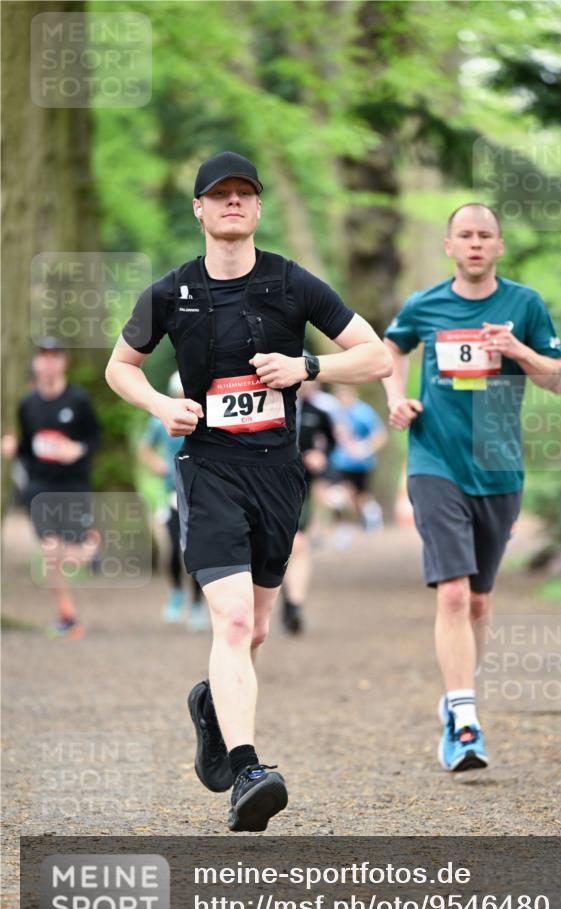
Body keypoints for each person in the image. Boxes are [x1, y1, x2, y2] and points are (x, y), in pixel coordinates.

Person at [105, 151, 391, 831]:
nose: (233, 203)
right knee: (231, 620)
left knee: (255, 628)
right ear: (199, 210)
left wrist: (306, 365)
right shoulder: (169, 293)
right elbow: (121, 367)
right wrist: (157, 407)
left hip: (276, 474)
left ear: (257, 209)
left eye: (244, 194)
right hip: (207, 470)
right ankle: (247, 770)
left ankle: (212, 704)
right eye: (219, 195)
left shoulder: (292, 285)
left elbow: (376, 354)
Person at [383, 202, 561, 772]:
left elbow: (558, 379)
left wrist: (517, 350)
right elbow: (391, 346)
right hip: (434, 458)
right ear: (448, 246)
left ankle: (454, 697)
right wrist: (396, 398)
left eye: (485, 235)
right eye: (464, 235)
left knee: (481, 600)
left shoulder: (524, 304)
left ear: (499, 246)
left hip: (499, 466)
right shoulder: (425, 304)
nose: (475, 244)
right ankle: (466, 721)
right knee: (455, 593)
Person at [12, 337, 101, 638]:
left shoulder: (78, 400)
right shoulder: (27, 404)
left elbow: (94, 439)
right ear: (36, 363)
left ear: (62, 362)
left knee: (74, 556)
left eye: (53, 356)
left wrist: (77, 449)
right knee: (50, 551)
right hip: (40, 486)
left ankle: (92, 543)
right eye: (42, 357)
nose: (47, 362)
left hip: (73, 485)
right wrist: (13, 448)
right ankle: (67, 615)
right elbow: (27, 447)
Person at [137, 371, 208, 631]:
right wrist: (157, 463)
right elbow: (144, 448)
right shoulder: (159, 422)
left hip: (201, 493)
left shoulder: (204, 417)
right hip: (172, 492)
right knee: (175, 548)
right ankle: (177, 593)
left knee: (199, 551)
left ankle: (199, 605)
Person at [281, 373, 337, 634]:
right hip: (272, 484)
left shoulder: (320, 412)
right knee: (276, 548)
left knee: (299, 543)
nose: (308, 385)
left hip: (303, 486)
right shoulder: (273, 405)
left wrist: (320, 455)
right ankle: (280, 593)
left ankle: (294, 605)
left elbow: (331, 443)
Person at [327, 385, 387, 532]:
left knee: (361, 496)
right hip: (339, 462)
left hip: (360, 464)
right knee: (340, 493)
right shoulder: (333, 413)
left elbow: (380, 435)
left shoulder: (363, 412)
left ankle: (372, 519)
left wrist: (365, 448)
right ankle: (344, 527)